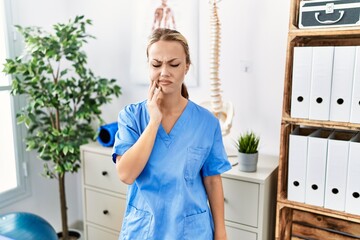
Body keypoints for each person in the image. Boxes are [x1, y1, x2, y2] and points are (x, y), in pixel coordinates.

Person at [112, 28, 231, 240]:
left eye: (174, 64)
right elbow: (126, 174)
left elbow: (213, 181)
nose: (164, 72)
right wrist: (154, 122)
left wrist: (221, 233)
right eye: (156, 64)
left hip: (192, 231)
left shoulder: (207, 122)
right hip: (144, 230)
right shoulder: (131, 116)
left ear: (186, 67)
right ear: (148, 66)